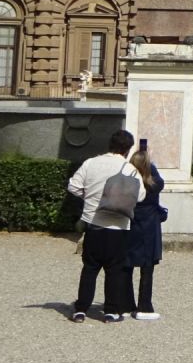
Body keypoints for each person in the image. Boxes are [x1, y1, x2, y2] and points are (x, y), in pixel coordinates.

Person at [67, 128, 145, 323]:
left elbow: (73, 186)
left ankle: (81, 309)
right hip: (119, 226)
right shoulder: (130, 169)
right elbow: (141, 195)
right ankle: (110, 311)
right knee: (115, 271)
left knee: (90, 268)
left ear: (109, 144)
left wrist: (91, 198)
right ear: (127, 149)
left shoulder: (91, 163)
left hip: (94, 223)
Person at [125, 146, 166, 321]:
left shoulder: (128, 183)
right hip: (149, 226)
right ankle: (144, 306)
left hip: (132, 224)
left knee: (126, 266)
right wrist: (151, 167)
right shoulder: (154, 183)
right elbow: (159, 181)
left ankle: (126, 304)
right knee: (147, 268)